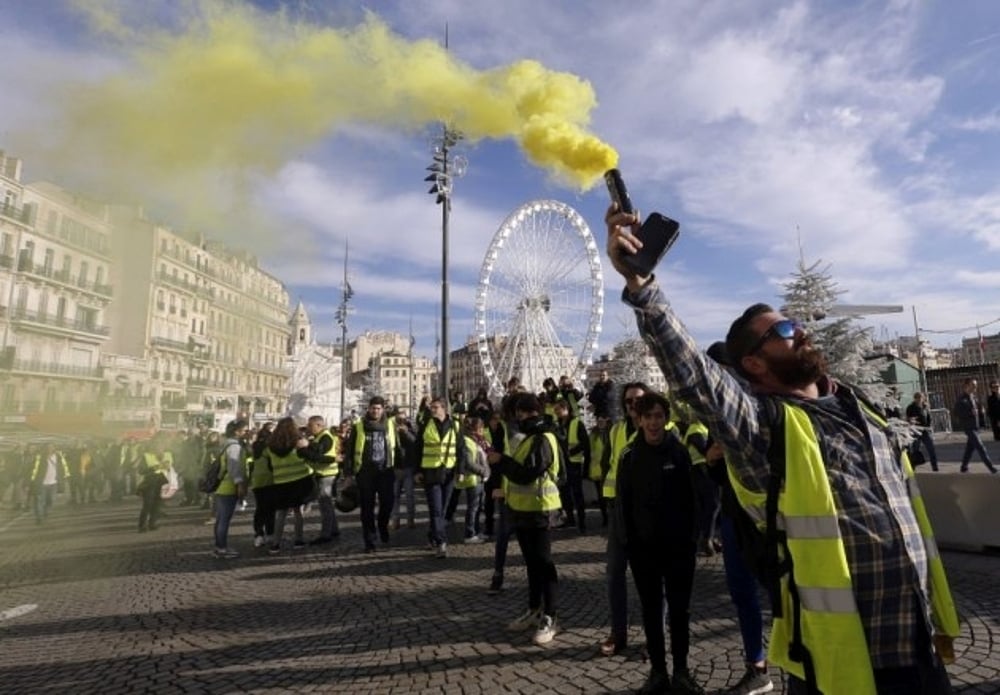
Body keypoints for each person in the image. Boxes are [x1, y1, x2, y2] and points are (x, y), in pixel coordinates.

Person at [605, 205, 960, 695]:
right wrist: (641, 285)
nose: (801, 331)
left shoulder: (859, 408)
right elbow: (696, 377)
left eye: (794, 323)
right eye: (785, 331)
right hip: (841, 664)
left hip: (920, 647)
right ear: (754, 363)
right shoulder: (765, 428)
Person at [616, 392, 703, 695]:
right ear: (639, 420)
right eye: (648, 417)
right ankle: (657, 671)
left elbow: (694, 499)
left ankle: (681, 670)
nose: (653, 422)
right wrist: (629, 544)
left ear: (666, 420)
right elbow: (623, 505)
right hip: (644, 551)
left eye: (658, 416)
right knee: (651, 611)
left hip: (679, 549)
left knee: (680, 611)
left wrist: (692, 539)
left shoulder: (679, 453)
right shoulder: (629, 457)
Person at [704, 341, 774, 694]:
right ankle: (757, 664)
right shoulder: (716, 418)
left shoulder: (763, 406)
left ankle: (802, 661)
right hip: (734, 514)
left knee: (780, 591)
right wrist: (712, 460)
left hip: (768, 516)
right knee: (742, 592)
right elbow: (717, 476)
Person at [488, 392, 561, 646]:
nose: (519, 418)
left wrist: (502, 461)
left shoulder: (543, 438)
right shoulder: (529, 437)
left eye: (522, 413)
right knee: (532, 563)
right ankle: (534, 608)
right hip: (522, 509)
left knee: (544, 563)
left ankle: (551, 615)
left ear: (532, 413)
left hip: (541, 509)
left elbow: (527, 473)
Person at [600, 382, 654, 657]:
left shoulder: (658, 429)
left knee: (650, 577)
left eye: (638, 400)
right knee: (614, 574)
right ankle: (617, 632)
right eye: (629, 401)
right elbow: (607, 465)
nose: (633, 405)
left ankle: (654, 635)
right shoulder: (616, 430)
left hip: (647, 513)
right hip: (618, 510)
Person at [343, 396, 397, 553]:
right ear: (368, 408)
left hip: (385, 470)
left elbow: (397, 447)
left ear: (383, 410)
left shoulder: (390, 425)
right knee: (367, 507)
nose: (375, 411)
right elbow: (350, 451)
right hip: (365, 472)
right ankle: (370, 540)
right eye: (373, 408)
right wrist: (348, 474)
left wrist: (400, 466)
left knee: (388, 502)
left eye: (378, 408)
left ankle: (382, 525)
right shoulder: (359, 426)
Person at [415, 397, 466, 558]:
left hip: (449, 472)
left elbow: (461, 450)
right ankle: (441, 542)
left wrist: (461, 471)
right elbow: (417, 448)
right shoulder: (425, 424)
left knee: (442, 510)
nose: (432, 410)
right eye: (431, 407)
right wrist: (418, 471)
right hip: (431, 472)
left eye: (435, 407)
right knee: (436, 509)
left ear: (444, 408)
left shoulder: (455, 425)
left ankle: (433, 535)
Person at [264, 417, 315, 554]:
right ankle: (298, 540)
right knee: (298, 512)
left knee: (281, 513)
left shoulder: (271, 445)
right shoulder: (298, 442)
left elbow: (270, 465)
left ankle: (276, 543)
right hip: (299, 480)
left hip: (280, 481)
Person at [301, 415, 341, 545]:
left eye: (310, 425)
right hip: (323, 473)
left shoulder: (325, 437)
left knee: (325, 505)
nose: (308, 428)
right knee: (326, 504)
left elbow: (317, 455)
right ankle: (333, 529)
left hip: (327, 474)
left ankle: (326, 534)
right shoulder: (319, 436)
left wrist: (306, 447)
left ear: (319, 425)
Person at [552, 398, 589, 533]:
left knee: (577, 493)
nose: (556, 412)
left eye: (558, 409)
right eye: (555, 410)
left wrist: (571, 452)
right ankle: (570, 519)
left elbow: (585, 443)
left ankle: (582, 521)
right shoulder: (556, 425)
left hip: (574, 463)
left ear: (565, 409)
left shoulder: (577, 423)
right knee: (564, 493)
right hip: (561, 463)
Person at [212, 419, 248, 558]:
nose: (246, 433)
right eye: (244, 430)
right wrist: (239, 484)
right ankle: (222, 549)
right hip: (229, 486)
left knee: (220, 519)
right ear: (237, 432)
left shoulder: (225, 444)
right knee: (224, 520)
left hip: (222, 485)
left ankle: (218, 547)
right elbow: (234, 468)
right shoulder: (234, 447)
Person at [456, 416, 492, 542]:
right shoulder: (467, 441)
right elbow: (469, 462)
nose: (482, 431)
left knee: (477, 507)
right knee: (473, 508)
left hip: (479, 477)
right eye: (480, 429)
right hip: (473, 478)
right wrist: (483, 471)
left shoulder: (477, 440)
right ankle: (470, 533)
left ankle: (476, 531)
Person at [954, 378, 997, 473]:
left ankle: (964, 467)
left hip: (975, 426)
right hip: (968, 427)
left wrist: (981, 411)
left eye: (976, 385)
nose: (975, 387)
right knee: (981, 447)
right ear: (967, 386)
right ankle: (991, 468)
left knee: (969, 449)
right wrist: (970, 413)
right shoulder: (961, 399)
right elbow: (956, 412)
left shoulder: (973, 397)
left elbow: (977, 410)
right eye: (973, 385)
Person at [391, 409, 418, 531]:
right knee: (394, 496)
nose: (401, 421)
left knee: (409, 496)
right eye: (399, 419)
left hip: (408, 468)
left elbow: (415, 443)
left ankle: (410, 519)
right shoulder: (391, 430)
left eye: (403, 419)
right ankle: (395, 520)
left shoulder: (411, 429)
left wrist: (406, 432)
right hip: (395, 468)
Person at [30, 443, 70, 524]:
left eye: (51, 447)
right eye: (48, 447)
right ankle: (39, 518)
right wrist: (32, 481)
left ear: (54, 448)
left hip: (53, 483)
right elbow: (34, 469)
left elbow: (63, 467)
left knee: (51, 500)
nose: (49, 449)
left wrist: (65, 476)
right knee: (40, 501)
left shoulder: (58, 457)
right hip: (42, 483)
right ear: (45, 449)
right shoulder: (40, 457)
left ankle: (45, 510)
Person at [906, 392, 940, 471]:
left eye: (920, 397)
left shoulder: (925, 407)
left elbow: (929, 417)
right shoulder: (911, 407)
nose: (919, 399)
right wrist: (911, 422)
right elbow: (908, 418)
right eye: (917, 398)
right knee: (915, 450)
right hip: (916, 430)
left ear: (923, 398)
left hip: (925, 431)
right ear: (915, 399)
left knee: (931, 449)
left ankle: (935, 467)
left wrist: (929, 426)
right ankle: (913, 467)